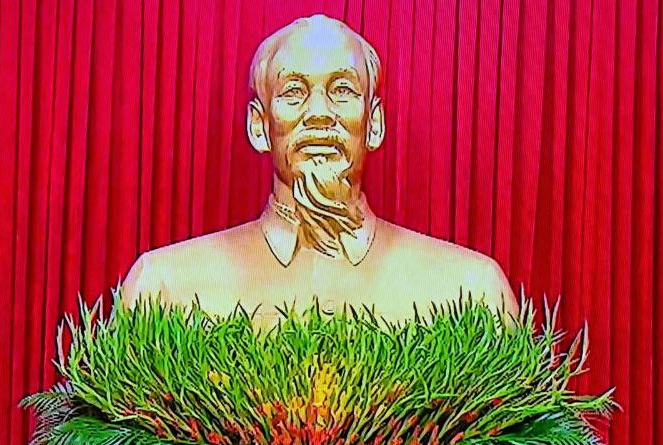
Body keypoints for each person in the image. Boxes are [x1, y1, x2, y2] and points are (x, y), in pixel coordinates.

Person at [120, 14, 516, 326]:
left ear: (374, 123)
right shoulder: (164, 288)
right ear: (259, 126)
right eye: (294, 92)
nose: (320, 113)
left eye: (342, 90)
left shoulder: (472, 293)